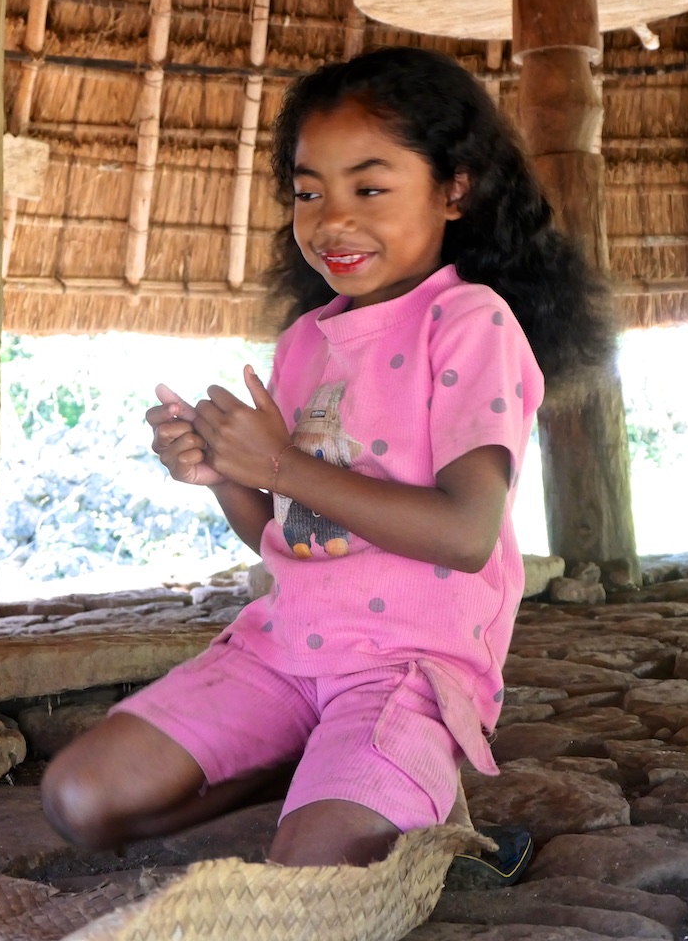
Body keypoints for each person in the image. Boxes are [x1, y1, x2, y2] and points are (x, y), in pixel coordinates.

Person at [41, 46, 613, 871]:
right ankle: (332, 769)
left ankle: (397, 786)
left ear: (455, 189)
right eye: (309, 192)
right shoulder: (306, 341)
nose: (331, 219)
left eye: (368, 189)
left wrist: (277, 464)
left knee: (313, 873)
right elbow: (292, 535)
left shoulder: (469, 321)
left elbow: (465, 534)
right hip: (280, 651)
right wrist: (224, 473)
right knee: (81, 798)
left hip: (406, 669)